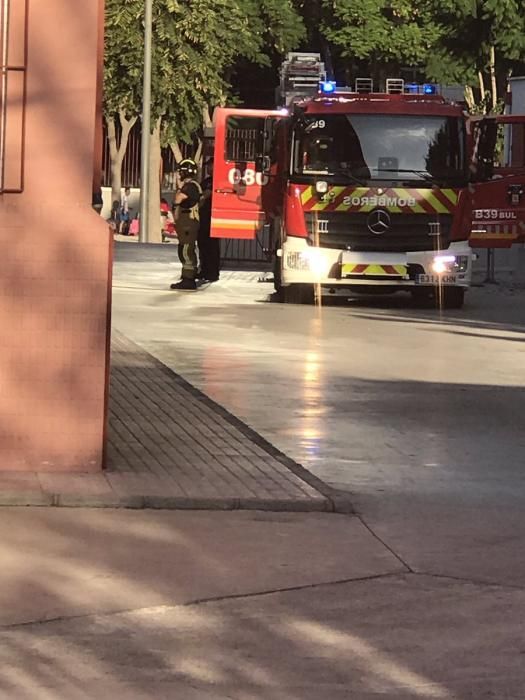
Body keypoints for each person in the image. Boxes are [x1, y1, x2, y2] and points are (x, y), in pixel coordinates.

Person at [170, 159, 201, 291]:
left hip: (189, 223)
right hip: (186, 223)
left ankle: (189, 279)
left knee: (186, 250)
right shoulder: (192, 185)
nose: (179, 174)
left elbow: (178, 198)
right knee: (184, 249)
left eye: (180, 171)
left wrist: (178, 191)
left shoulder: (190, 186)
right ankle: (187, 277)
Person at [197, 176, 220, 282]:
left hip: (210, 217)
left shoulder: (214, 181)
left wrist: (198, 201)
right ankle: (204, 270)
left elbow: (206, 194)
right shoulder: (206, 180)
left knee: (211, 246)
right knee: (203, 245)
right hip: (203, 216)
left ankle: (212, 272)